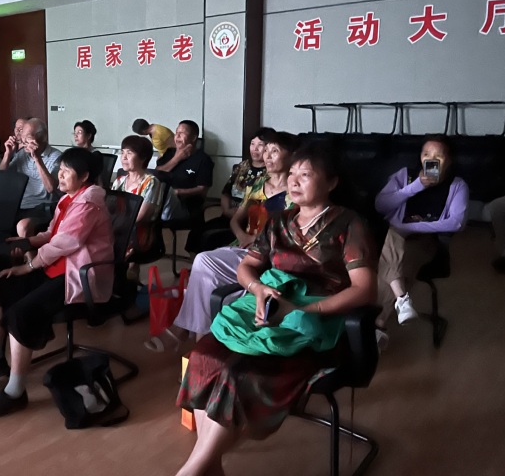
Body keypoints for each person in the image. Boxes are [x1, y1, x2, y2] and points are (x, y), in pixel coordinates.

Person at [175, 144, 377, 476]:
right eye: (292, 173)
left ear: (331, 182)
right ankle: (206, 467)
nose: (293, 181)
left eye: (305, 174)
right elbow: (247, 266)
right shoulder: (280, 221)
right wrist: (257, 289)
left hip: (316, 323)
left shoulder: (349, 224)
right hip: (268, 308)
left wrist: (305, 308)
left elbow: (364, 289)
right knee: (203, 357)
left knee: (238, 374)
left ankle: (193, 470)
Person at [0, 148, 114, 419]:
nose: (60, 175)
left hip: (77, 276)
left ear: (84, 176)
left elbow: (66, 243)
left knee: (20, 313)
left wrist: (29, 265)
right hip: (55, 267)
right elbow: (53, 233)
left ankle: (15, 391)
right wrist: (28, 242)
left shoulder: (88, 204)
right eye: (60, 169)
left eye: (66, 171)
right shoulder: (69, 198)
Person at [145, 131, 298, 352]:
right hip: (243, 247)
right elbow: (236, 219)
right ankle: (201, 343)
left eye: (274, 151)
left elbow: (290, 234)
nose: (267, 156)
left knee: (204, 262)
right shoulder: (259, 184)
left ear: (291, 156)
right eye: (266, 150)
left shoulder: (295, 193)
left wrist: (257, 240)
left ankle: (184, 331)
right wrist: (243, 236)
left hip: (269, 253)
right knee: (205, 276)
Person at [374, 134, 468, 331]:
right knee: (392, 250)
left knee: (399, 262)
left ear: (449, 161)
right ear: (420, 157)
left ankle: (377, 324)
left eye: (438, 156)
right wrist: (415, 187)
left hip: (425, 241)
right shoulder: (405, 176)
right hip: (392, 237)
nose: (431, 160)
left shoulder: (457, 185)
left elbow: (456, 223)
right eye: (426, 154)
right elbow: (380, 205)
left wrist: (408, 227)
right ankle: (399, 303)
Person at [186, 128, 275, 253]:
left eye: (260, 145)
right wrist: (226, 210)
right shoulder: (243, 166)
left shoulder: (271, 173)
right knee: (195, 234)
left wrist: (239, 213)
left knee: (210, 238)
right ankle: (196, 264)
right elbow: (226, 192)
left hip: (248, 222)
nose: (255, 148)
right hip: (228, 216)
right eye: (252, 144)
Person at [0, 118, 62, 237]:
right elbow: (0, 176)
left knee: (23, 226)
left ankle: (26, 249)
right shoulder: (22, 154)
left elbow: (51, 188)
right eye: (22, 137)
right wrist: (7, 154)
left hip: (43, 206)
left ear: (43, 137)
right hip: (20, 204)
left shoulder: (56, 157)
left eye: (27, 138)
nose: (23, 142)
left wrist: (37, 158)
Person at [110, 135, 163, 276]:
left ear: (143, 157)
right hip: (118, 228)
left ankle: (125, 280)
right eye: (122, 152)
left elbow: (141, 216)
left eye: (129, 153)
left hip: (139, 233)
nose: (124, 157)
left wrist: (114, 225)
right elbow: (110, 209)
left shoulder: (151, 182)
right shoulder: (119, 181)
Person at [155, 120, 214, 222]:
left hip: (185, 205)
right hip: (160, 201)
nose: (177, 136)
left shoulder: (203, 159)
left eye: (182, 133)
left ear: (194, 138)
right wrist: (176, 159)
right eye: (176, 132)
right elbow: (156, 174)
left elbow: (202, 190)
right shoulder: (169, 153)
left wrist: (177, 192)